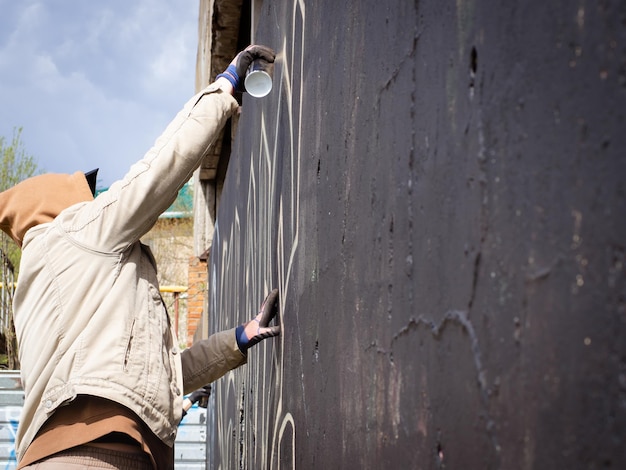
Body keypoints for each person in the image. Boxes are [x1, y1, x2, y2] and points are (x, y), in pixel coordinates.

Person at [0, 45, 279, 469]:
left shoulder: (37, 289)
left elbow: (147, 377)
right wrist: (224, 87)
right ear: (62, 203)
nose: (95, 197)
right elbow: (157, 171)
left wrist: (237, 340)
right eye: (86, 193)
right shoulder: (79, 232)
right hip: (98, 455)